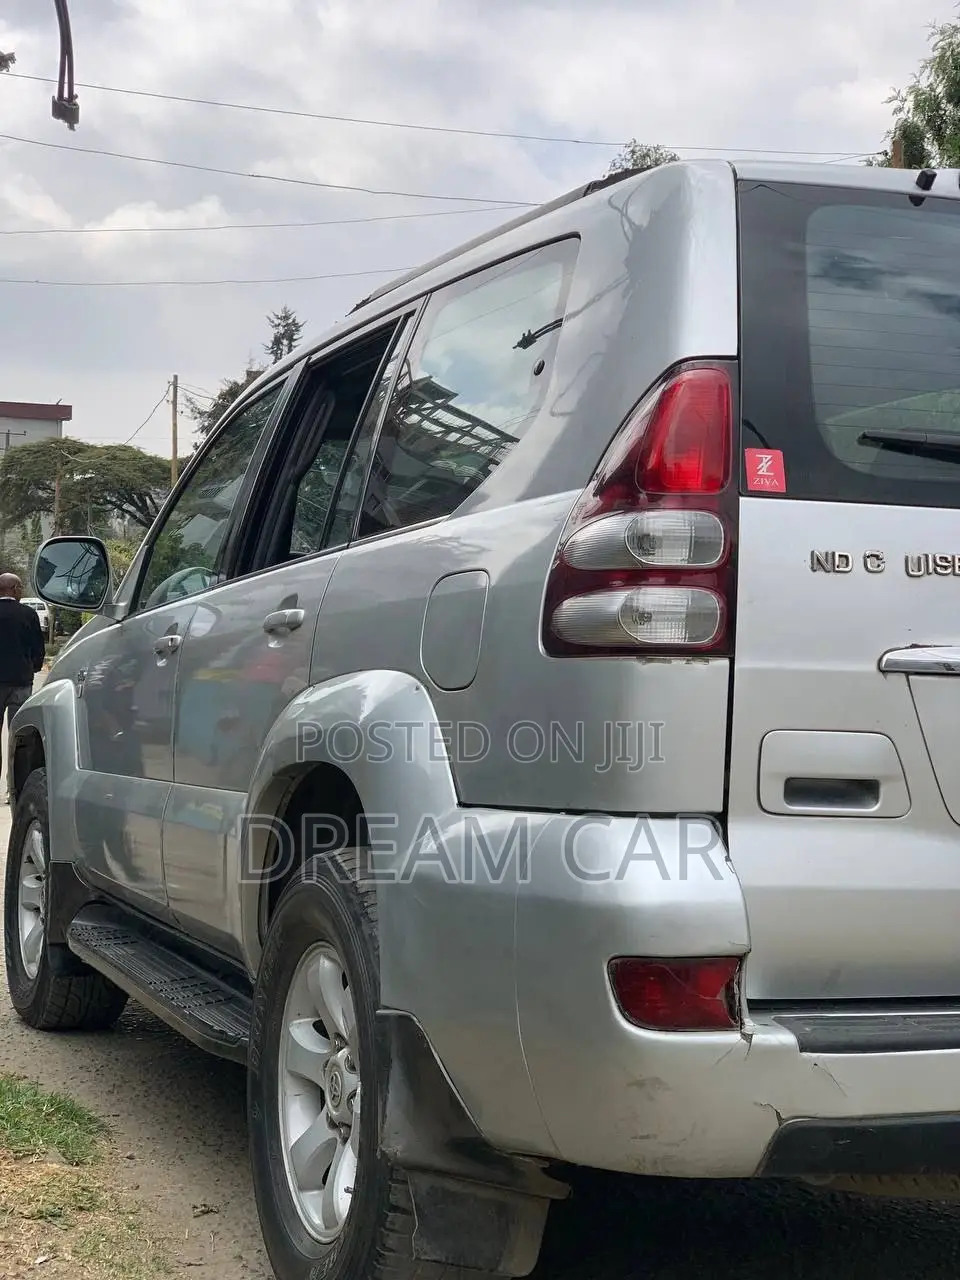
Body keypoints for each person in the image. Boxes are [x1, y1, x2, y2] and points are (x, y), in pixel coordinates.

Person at [0, 573, 45, 805]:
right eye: (20, 587)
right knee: (18, 738)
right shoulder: (28, 614)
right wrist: (33, 666)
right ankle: (14, 790)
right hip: (20, 682)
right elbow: (38, 648)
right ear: (14, 589)